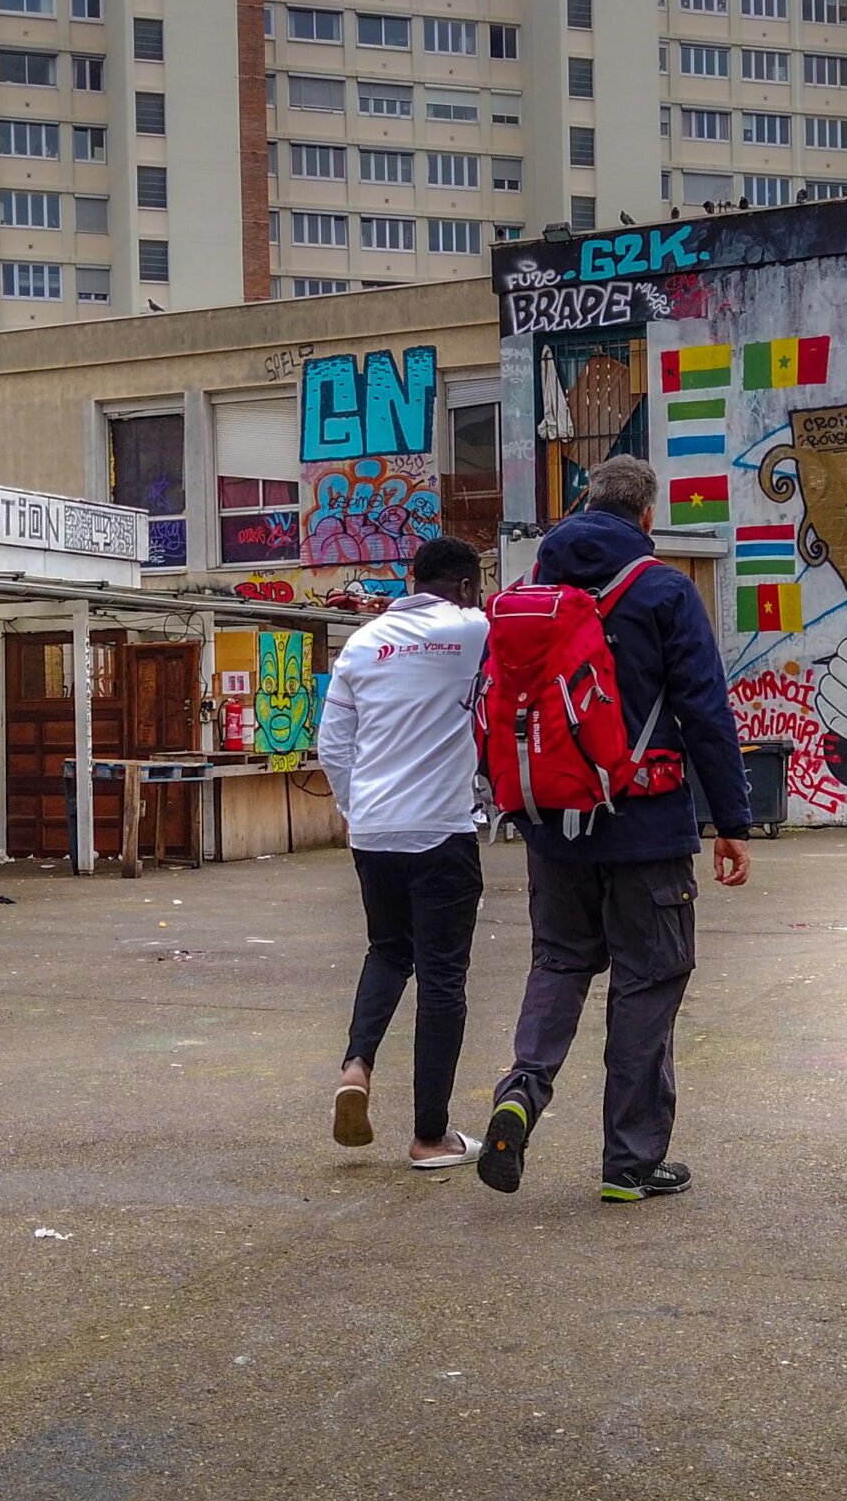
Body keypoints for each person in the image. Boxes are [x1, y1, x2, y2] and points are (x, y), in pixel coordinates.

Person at [475, 455, 753, 1205]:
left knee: (560, 963)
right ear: (647, 516)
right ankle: (629, 1162)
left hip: (551, 824)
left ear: (582, 504)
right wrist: (732, 821)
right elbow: (705, 709)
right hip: (646, 826)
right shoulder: (662, 590)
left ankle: (520, 1093)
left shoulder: (531, 593)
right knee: (648, 977)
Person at [318, 536, 492, 1169]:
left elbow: (333, 747)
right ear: (469, 586)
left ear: (410, 578)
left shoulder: (361, 644)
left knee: (388, 952)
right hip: (442, 832)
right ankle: (430, 1136)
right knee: (443, 979)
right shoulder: (474, 630)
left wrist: (355, 810)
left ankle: (357, 1064)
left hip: (374, 833)